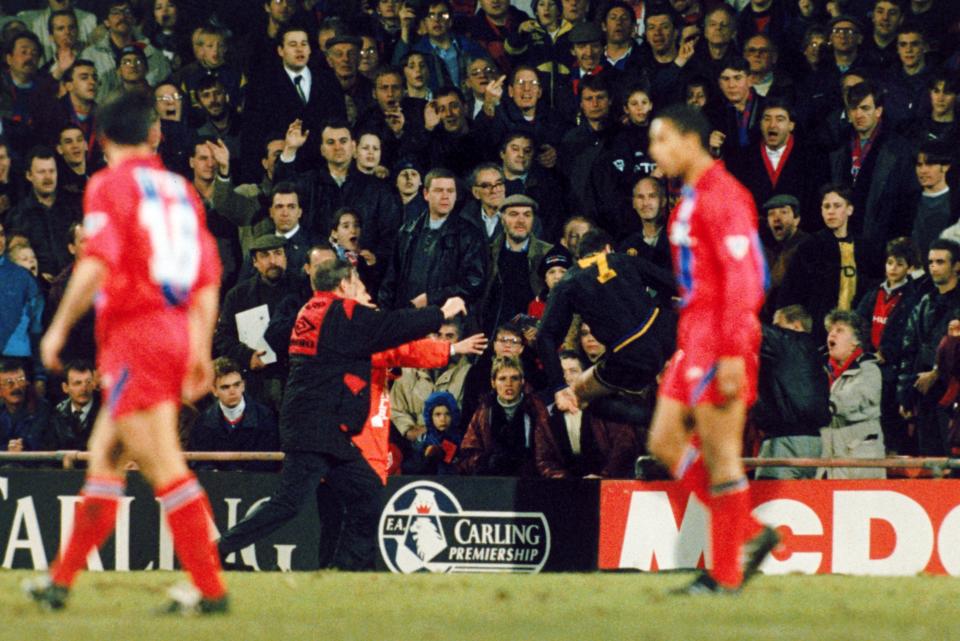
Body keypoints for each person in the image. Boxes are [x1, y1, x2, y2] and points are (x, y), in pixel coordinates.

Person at [26, 92, 227, 614]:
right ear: (155, 135)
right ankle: (60, 582)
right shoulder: (180, 190)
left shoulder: (110, 184)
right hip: (175, 328)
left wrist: (57, 329)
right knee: (107, 458)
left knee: (164, 465)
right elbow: (208, 274)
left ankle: (210, 588)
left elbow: (97, 260)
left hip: (136, 334)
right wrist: (200, 346)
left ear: (101, 141)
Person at [216, 257, 468, 570]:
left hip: (324, 428)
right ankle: (214, 551)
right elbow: (389, 327)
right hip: (316, 428)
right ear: (343, 284)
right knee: (288, 504)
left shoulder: (310, 311)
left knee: (367, 493)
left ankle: (350, 570)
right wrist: (441, 313)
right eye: (356, 283)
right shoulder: (342, 312)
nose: (359, 289)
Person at [644, 104, 777, 595]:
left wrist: (732, 353)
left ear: (689, 140)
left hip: (723, 335)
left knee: (722, 459)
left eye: (661, 141)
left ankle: (724, 575)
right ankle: (751, 534)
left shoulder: (726, 196)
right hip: (693, 334)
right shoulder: (690, 198)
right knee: (662, 440)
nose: (655, 152)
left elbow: (747, 278)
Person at [538, 229, 675, 426]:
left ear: (578, 257)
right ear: (607, 249)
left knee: (580, 396)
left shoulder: (568, 281)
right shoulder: (622, 259)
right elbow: (675, 284)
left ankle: (654, 426)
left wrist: (559, 386)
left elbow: (545, 337)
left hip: (628, 356)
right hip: (666, 335)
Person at [752, 305, 830, 479]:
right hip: (814, 443)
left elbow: (750, 329)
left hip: (785, 443)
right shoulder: (814, 354)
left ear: (796, 326)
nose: (775, 332)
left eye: (778, 327)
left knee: (769, 501)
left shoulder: (789, 344)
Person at [819, 309, 886, 479]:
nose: (831, 335)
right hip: (830, 467)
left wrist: (817, 402)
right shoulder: (821, 371)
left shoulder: (869, 370)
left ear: (855, 342)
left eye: (839, 330)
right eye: (830, 331)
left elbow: (850, 401)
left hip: (861, 468)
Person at [459, 355, 550, 477]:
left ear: (522, 381)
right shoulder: (483, 412)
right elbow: (468, 453)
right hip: (493, 481)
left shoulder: (536, 409)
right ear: (493, 383)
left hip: (529, 480)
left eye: (514, 378)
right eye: (502, 379)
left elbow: (547, 455)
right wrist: (486, 461)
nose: (509, 384)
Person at [187, 357, 280, 472]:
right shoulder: (202, 422)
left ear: (243, 385)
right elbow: (199, 463)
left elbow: (269, 464)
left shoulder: (265, 417)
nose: (232, 391)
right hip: (217, 486)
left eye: (236, 385)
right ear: (214, 391)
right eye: (225, 387)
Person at [49, 359, 99, 450]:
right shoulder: (57, 415)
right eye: (77, 383)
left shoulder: (105, 413)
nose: (84, 388)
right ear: (65, 387)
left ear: (94, 384)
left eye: (88, 382)